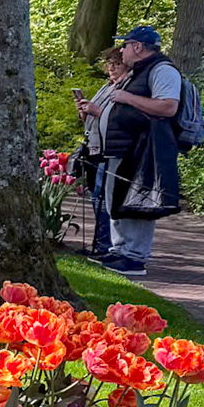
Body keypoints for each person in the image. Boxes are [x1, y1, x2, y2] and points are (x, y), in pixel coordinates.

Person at [81, 24, 182, 277]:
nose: (122, 50)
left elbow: (168, 107)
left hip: (144, 148)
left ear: (137, 47)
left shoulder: (162, 71)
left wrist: (127, 99)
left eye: (125, 45)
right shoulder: (139, 71)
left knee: (139, 201)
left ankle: (135, 257)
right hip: (123, 148)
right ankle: (120, 250)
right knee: (119, 198)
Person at [77, 47, 125, 258]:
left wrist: (96, 111)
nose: (111, 68)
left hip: (111, 149)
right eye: (109, 64)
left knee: (105, 198)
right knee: (97, 196)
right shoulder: (106, 87)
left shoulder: (127, 89)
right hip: (94, 146)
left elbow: (121, 118)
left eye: (116, 64)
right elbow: (94, 118)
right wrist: (85, 111)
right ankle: (101, 242)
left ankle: (105, 245)